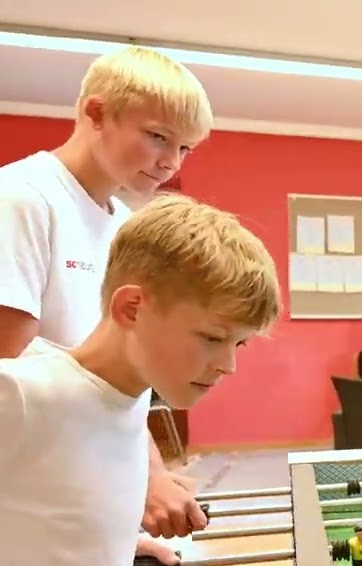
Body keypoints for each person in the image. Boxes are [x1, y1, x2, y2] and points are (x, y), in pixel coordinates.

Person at [0, 194, 280, 566]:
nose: (228, 366)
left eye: (238, 344)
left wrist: (106, 548)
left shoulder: (128, 404)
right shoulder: (22, 393)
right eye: (213, 338)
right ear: (132, 308)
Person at [0, 46, 214, 541]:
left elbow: (119, 378)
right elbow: (12, 380)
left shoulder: (123, 225)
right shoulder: (23, 199)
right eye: (158, 137)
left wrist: (148, 474)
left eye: (184, 149)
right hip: (25, 502)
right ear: (96, 114)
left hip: (81, 492)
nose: (169, 163)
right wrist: (131, 484)